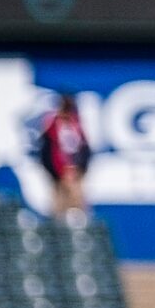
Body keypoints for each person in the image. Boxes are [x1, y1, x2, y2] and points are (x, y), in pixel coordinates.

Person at [36, 92, 91, 222]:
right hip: (58, 175)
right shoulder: (52, 126)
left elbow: (85, 149)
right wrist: (59, 172)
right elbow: (47, 152)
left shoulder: (76, 124)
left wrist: (79, 169)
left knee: (78, 208)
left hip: (75, 173)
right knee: (59, 211)